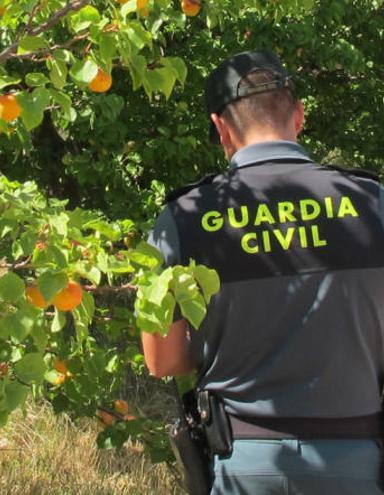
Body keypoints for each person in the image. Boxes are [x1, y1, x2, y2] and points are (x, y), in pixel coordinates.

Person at [143, 49, 384, 494]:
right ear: (299, 115)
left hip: (245, 461)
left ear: (221, 129)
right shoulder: (374, 203)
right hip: (359, 456)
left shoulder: (182, 217)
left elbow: (163, 360)